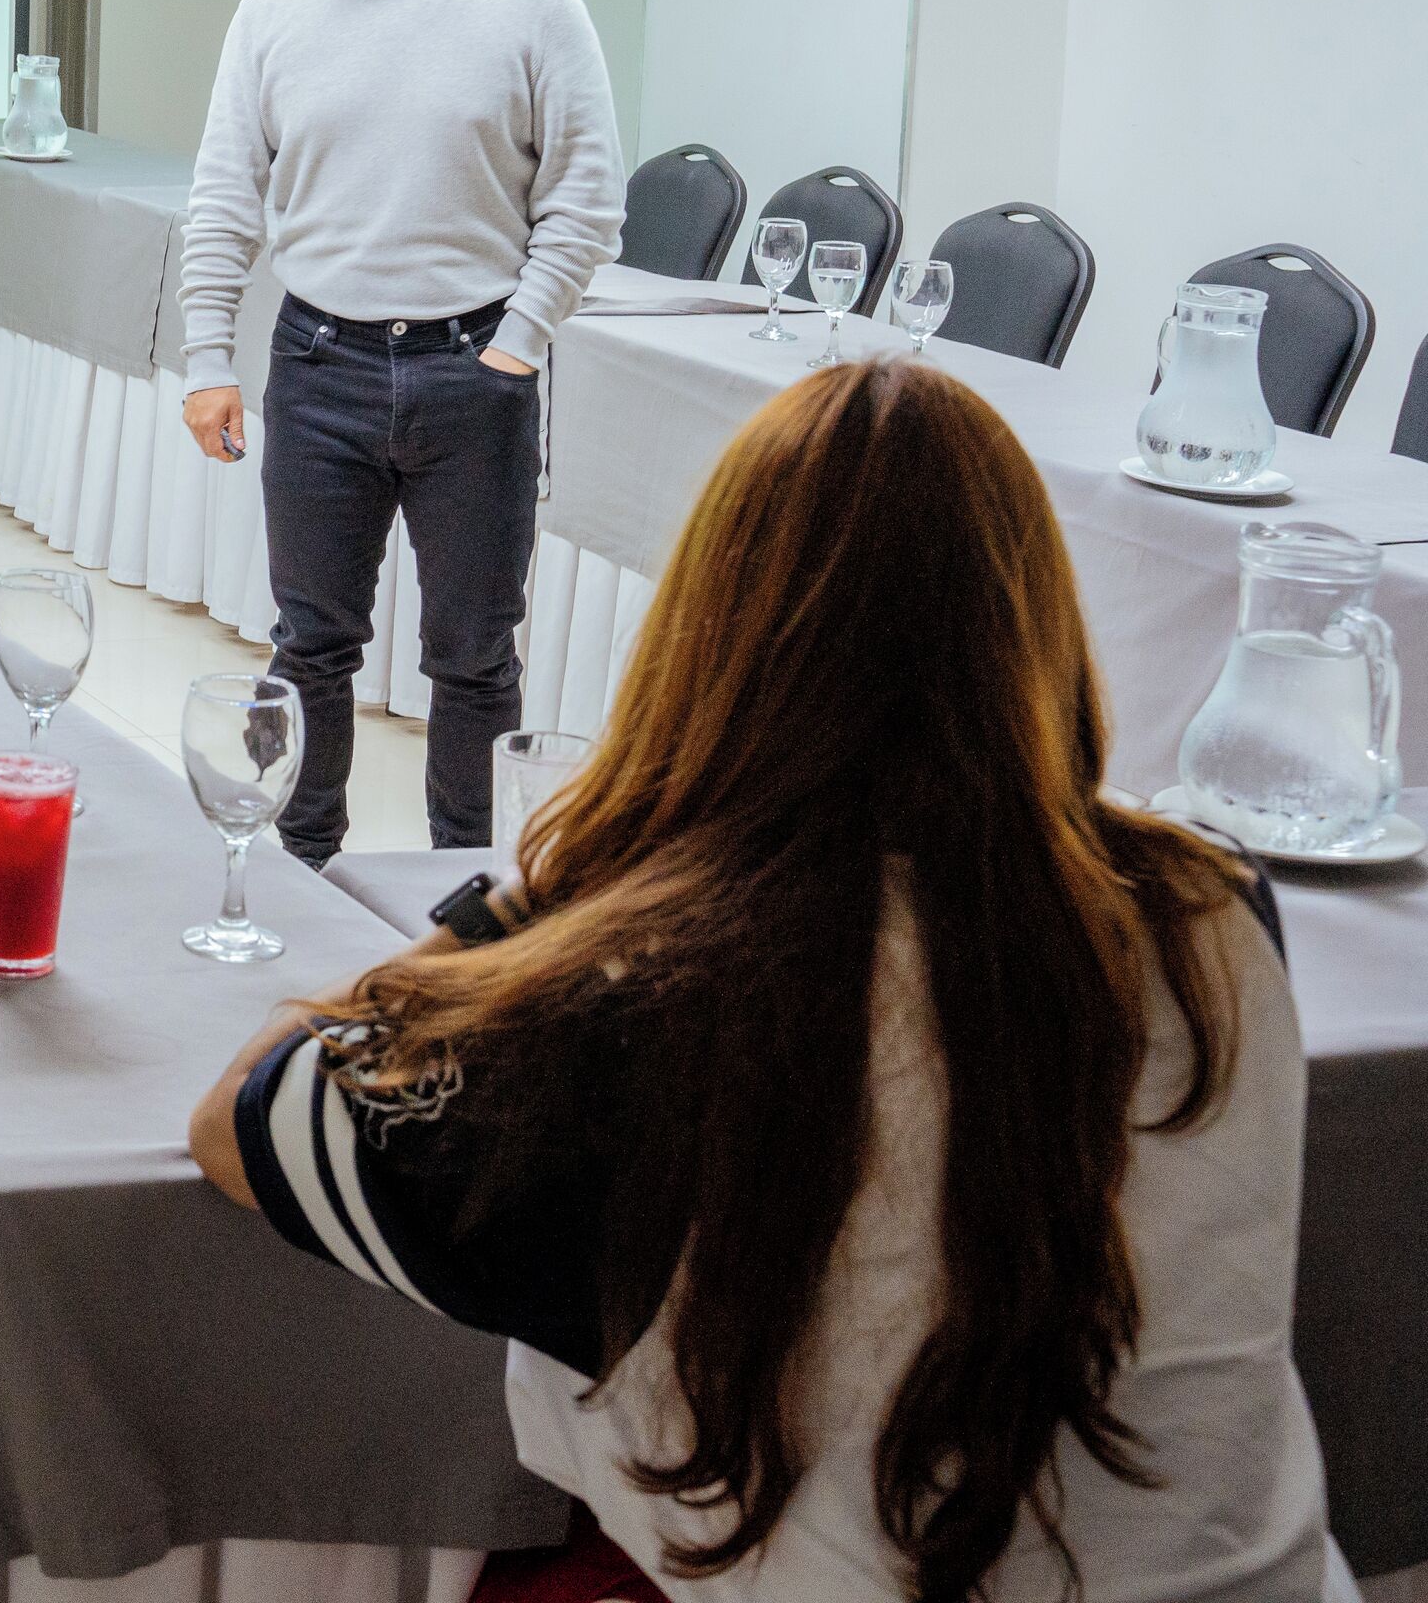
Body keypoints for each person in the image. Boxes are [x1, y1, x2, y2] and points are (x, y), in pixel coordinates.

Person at [189, 360, 1351, 1601]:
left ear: (712, 636)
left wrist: (542, 896)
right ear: (1035, 620)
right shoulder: (1211, 905)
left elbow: (246, 1115)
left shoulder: (648, 995)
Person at [176, 0, 624, 861]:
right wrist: (206, 357)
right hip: (317, 361)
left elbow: (587, 197)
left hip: (473, 367)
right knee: (311, 643)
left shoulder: (533, 0)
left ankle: (466, 891)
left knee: (474, 655)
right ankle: (304, 867)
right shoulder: (273, 11)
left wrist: (518, 346)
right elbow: (225, 194)